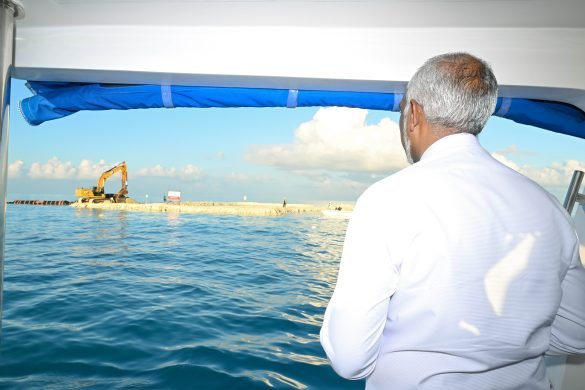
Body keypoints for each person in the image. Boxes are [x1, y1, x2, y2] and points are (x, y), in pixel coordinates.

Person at [320, 52, 585, 389]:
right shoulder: (549, 207)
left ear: (414, 113)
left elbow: (349, 359)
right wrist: (511, 339)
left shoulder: (387, 199)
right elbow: (579, 333)